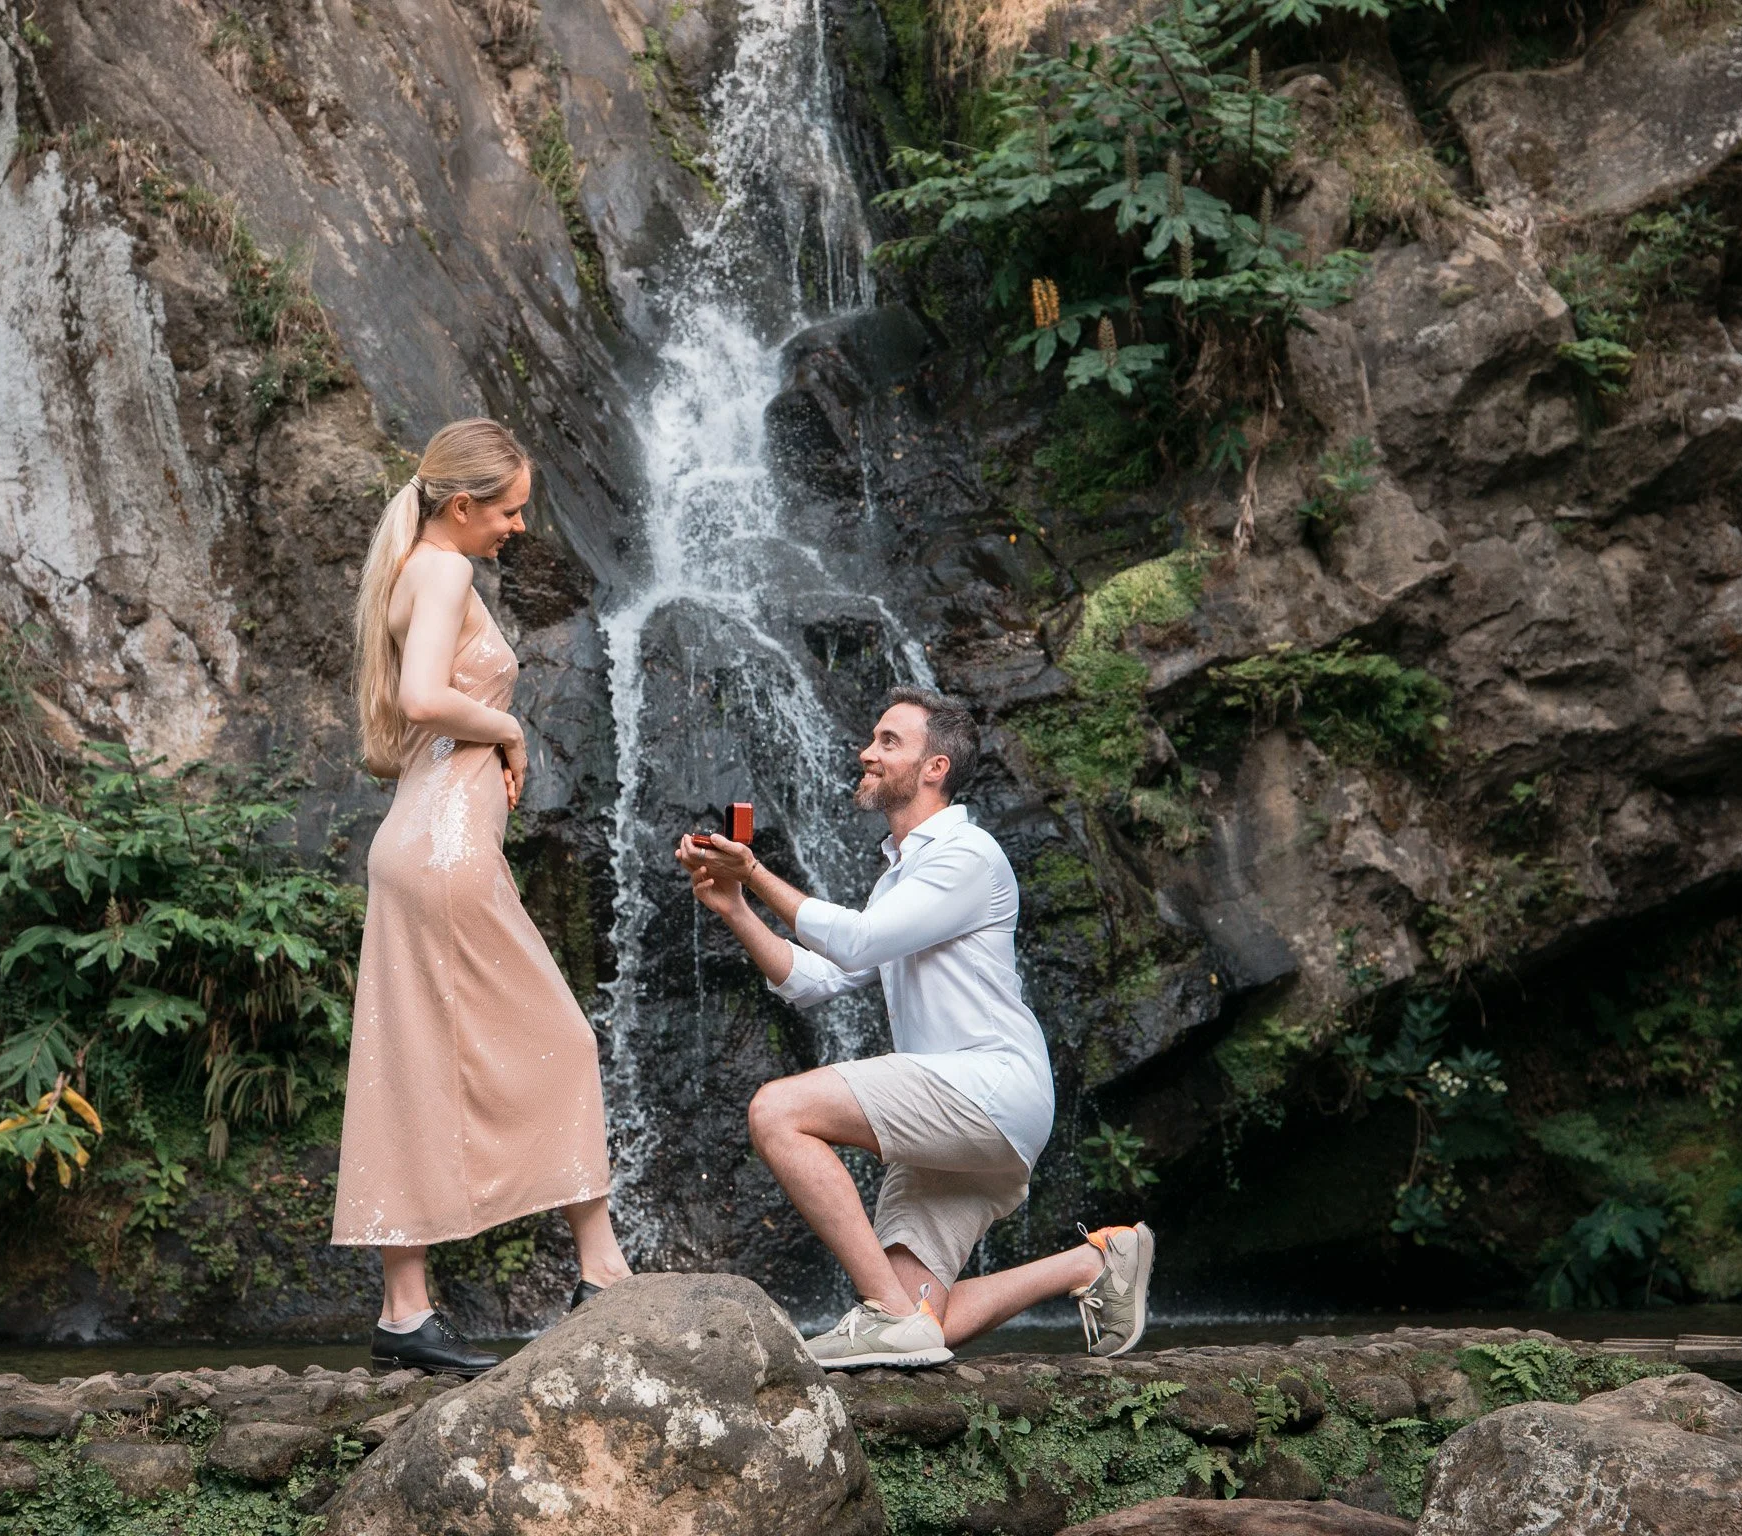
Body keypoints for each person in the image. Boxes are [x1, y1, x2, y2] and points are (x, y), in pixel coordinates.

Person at [676, 687, 1153, 1368]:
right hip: (961, 1128)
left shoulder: (967, 856)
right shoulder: (900, 877)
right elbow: (820, 982)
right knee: (929, 1319)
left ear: (935, 768)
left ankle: (884, 1316)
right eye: (873, 739)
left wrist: (754, 870)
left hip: (987, 1089)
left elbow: (862, 942)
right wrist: (735, 907)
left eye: (889, 742)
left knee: (778, 1111)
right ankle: (1095, 1260)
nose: (867, 753)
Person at [333, 418, 632, 1375]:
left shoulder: (412, 566)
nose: (516, 527)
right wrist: (507, 724)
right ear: (461, 505)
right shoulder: (447, 572)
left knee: (407, 1059)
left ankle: (403, 1312)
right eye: (507, 511)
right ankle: (603, 1274)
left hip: (418, 842)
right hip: (447, 847)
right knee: (568, 1038)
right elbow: (424, 698)